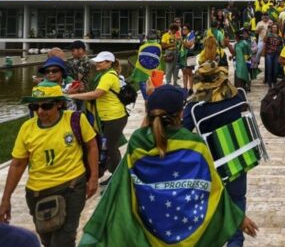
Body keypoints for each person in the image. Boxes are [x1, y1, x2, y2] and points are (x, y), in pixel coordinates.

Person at [80, 85, 258, 246]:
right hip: (186, 230)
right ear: (181, 113)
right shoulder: (194, 144)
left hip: (148, 227)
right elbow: (213, 189)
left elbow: (120, 185)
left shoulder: (138, 141)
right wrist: (237, 217)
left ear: (149, 112)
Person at [0, 83, 98, 247]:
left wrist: (93, 177)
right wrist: (6, 199)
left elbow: (92, 146)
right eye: (34, 106)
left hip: (72, 187)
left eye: (46, 106)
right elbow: (17, 164)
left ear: (59, 103)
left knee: (64, 239)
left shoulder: (75, 120)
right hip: (38, 193)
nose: (40, 112)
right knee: (47, 240)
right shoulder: (27, 128)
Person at [182, 67, 250, 247]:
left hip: (209, 161)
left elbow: (182, 131)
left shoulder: (195, 106)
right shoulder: (236, 97)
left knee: (209, 203)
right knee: (237, 198)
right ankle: (235, 241)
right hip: (236, 154)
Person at [68, 51, 128, 186]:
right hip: (109, 117)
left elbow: (97, 93)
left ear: (108, 63)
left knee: (110, 147)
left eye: (100, 62)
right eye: (97, 61)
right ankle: (116, 173)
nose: (97, 64)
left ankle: (118, 176)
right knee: (111, 147)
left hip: (114, 117)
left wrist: (73, 96)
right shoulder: (106, 75)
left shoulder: (108, 76)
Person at [263, 23, 284, 88]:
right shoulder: (269, 35)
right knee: (269, 69)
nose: (274, 28)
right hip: (269, 53)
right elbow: (264, 41)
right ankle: (269, 84)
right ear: (271, 28)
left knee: (275, 69)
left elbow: (281, 45)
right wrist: (267, 32)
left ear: (277, 29)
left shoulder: (279, 36)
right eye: (273, 27)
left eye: (276, 27)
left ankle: (274, 82)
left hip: (277, 54)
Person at [180, 24, 197, 94]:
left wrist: (181, 41)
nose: (183, 30)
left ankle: (191, 89)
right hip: (184, 56)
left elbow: (188, 45)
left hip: (190, 55)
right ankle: (185, 88)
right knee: (184, 72)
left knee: (190, 73)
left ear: (188, 30)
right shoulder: (185, 37)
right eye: (182, 29)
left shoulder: (192, 36)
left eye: (185, 29)